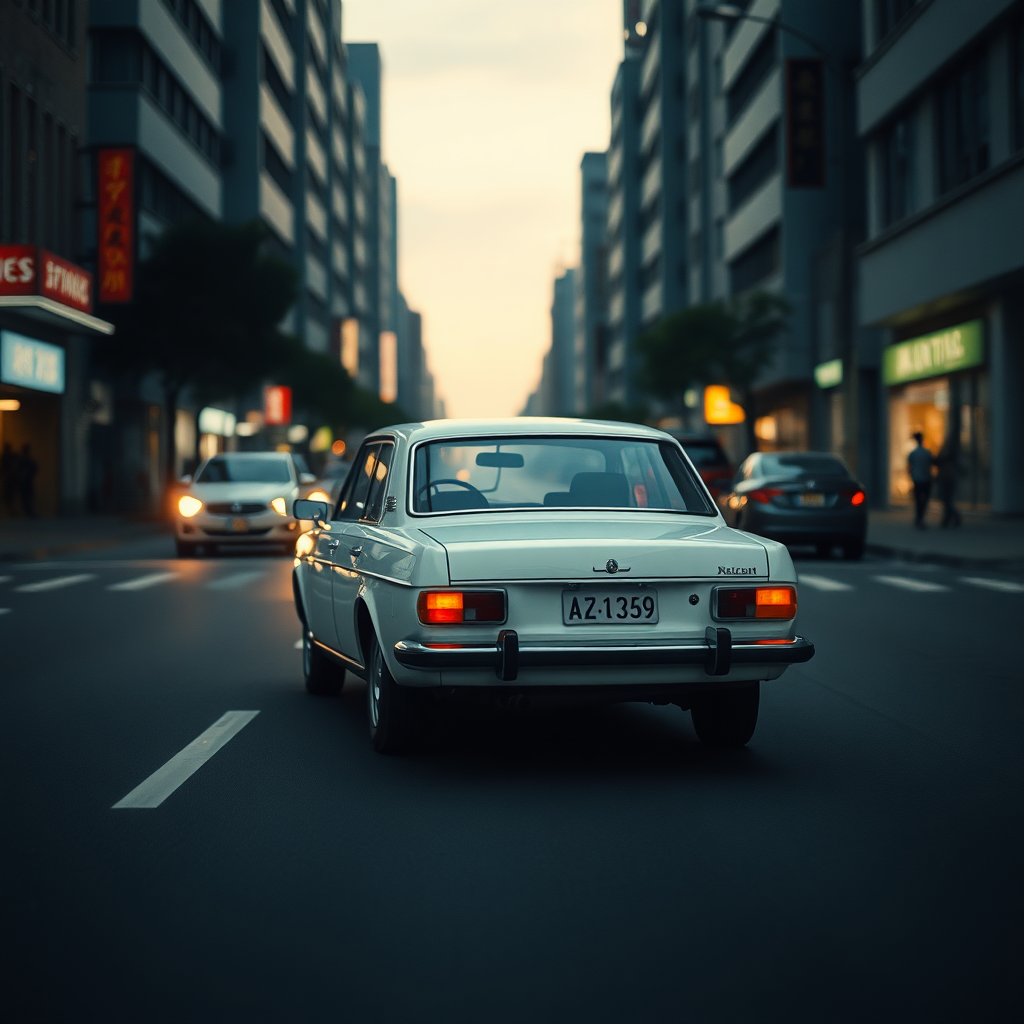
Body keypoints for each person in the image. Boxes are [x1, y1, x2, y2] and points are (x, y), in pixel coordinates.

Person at [934, 436, 962, 528]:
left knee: (946, 501)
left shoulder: (948, 454)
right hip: (947, 478)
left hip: (947, 479)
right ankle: (949, 518)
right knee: (947, 501)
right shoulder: (949, 453)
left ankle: (951, 518)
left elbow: (939, 461)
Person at [907, 432, 932, 529]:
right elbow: (930, 464)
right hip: (926, 478)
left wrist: (911, 476)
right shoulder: (927, 452)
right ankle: (920, 518)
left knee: (918, 500)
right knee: (924, 499)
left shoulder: (913, 453)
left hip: (917, 479)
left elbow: (910, 466)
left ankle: (919, 518)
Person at [18, 442, 38, 518]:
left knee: (28, 498)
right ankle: (28, 513)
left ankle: (29, 513)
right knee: (26, 498)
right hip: (24, 482)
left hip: (27, 482)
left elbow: (35, 469)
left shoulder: (28, 460)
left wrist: (27, 473)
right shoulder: (23, 460)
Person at [1, 442, 19, 516]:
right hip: (10, 479)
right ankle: (12, 512)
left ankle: (12, 512)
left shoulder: (8, 457)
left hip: (10, 480)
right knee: (8, 497)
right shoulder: (9, 457)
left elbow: (3, 468)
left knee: (8, 497)